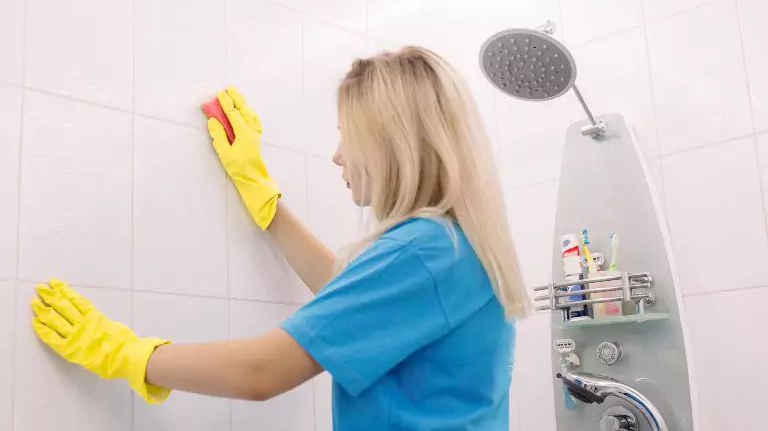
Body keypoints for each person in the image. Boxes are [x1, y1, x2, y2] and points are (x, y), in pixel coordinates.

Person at [30, 47, 529, 430]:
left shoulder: (424, 250)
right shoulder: (456, 246)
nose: (338, 157)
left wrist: (122, 351)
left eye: (344, 134)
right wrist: (263, 197)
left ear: (390, 141)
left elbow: (261, 372)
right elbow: (353, 296)